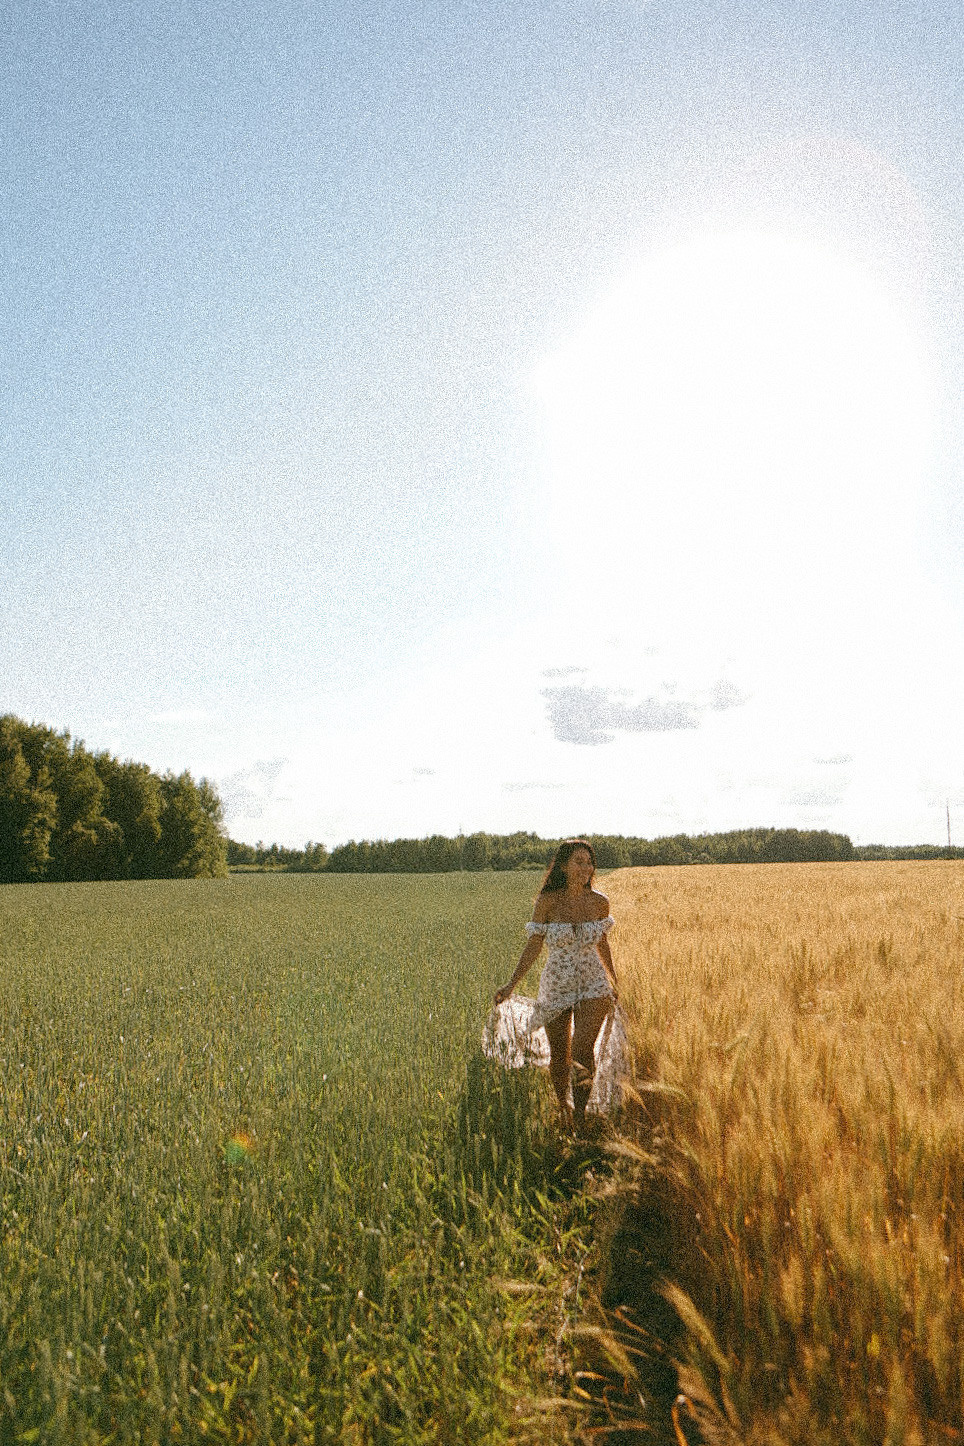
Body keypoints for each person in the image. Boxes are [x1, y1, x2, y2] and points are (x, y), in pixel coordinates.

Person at [493, 838, 618, 1131]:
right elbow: (534, 945)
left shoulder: (600, 902)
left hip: (593, 983)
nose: (586, 868)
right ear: (563, 866)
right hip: (557, 983)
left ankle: (580, 1115)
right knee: (560, 1055)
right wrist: (512, 984)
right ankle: (563, 1107)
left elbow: (603, 944)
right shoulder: (548, 902)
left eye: (589, 862)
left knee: (583, 1048)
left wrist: (614, 980)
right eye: (579, 861)